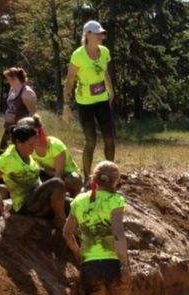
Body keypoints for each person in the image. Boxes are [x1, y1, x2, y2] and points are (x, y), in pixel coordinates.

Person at [63, 161, 135, 295]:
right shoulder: (115, 200)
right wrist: (125, 266)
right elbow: (118, 235)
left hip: (90, 266)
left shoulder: (78, 201)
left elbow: (67, 232)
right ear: (116, 181)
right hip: (112, 262)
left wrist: (78, 253)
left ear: (94, 178)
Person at [0, 125, 67, 229]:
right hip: (25, 205)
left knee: (72, 204)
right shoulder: (8, 158)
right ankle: (60, 221)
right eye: (31, 144)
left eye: (35, 144)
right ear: (19, 142)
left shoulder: (27, 153)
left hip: (39, 197)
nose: (34, 147)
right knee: (57, 183)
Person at [63, 20, 115, 181]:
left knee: (109, 138)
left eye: (102, 33)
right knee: (91, 141)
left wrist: (111, 90)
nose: (101, 36)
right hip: (85, 102)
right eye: (97, 33)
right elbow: (70, 80)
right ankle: (87, 179)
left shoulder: (104, 52)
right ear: (88, 35)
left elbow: (104, 73)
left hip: (102, 99)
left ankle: (110, 175)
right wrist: (66, 106)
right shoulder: (78, 55)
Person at [18, 115, 83, 196]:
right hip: (49, 174)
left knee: (71, 180)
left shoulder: (55, 145)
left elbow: (59, 172)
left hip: (66, 176)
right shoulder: (28, 147)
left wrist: (47, 191)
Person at [0, 67, 37, 150]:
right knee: (2, 151)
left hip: (20, 129)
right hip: (9, 127)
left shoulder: (27, 93)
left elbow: (32, 113)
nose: (7, 81)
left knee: (15, 152)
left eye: (9, 79)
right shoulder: (12, 90)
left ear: (15, 78)